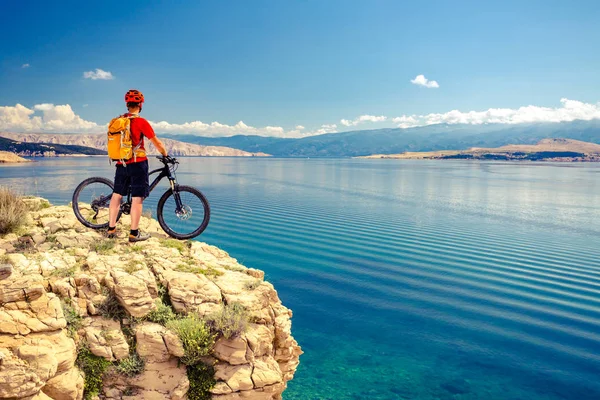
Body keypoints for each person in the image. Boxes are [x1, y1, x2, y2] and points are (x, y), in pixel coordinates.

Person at [107, 89, 168, 242]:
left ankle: (111, 229)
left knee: (117, 195)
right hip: (138, 164)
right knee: (137, 198)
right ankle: (134, 233)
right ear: (140, 105)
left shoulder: (119, 121)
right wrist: (165, 154)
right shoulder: (141, 122)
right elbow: (157, 143)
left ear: (127, 105)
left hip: (121, 163)